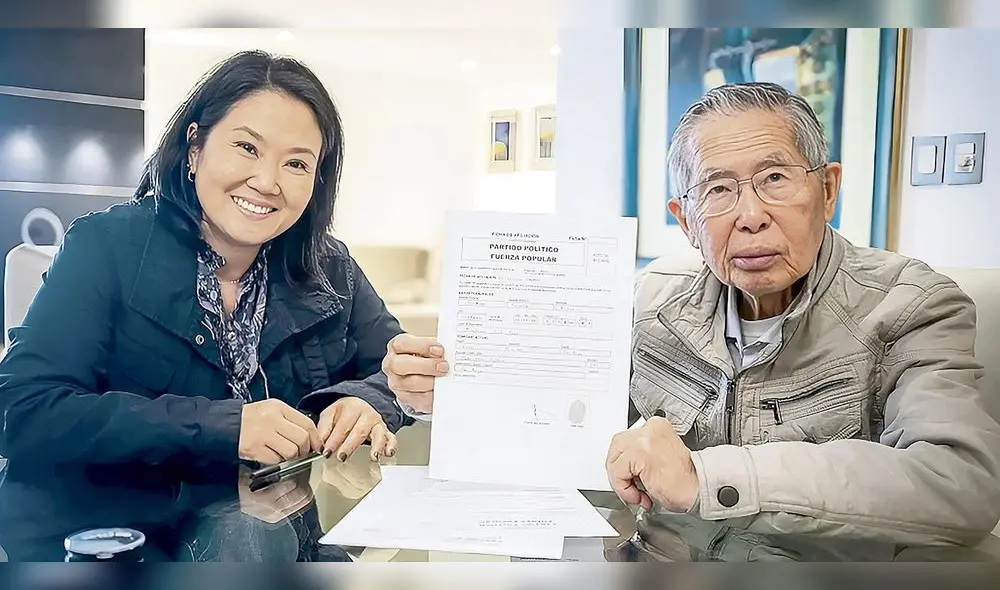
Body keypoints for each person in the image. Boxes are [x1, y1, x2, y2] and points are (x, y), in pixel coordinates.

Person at [382, 82, 1000, 561]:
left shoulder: (912, 303)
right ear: (686, 218)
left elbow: (959, 481)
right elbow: (580, 425)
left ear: (828, 188)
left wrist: (707, 476)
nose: (751, 216)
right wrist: (455, 395)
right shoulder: (648, 302)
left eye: (776, 179)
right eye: (718, 191)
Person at [0, 50, 410, 561]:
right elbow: (24, 412)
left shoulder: (328, 267)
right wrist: (225, 426)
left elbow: (394, 373)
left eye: (297, 163)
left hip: (272, 536)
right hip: (114, 543)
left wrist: (364, 401)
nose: (267, 182)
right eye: (246, 147)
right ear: (194, 148)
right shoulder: (104, 247)